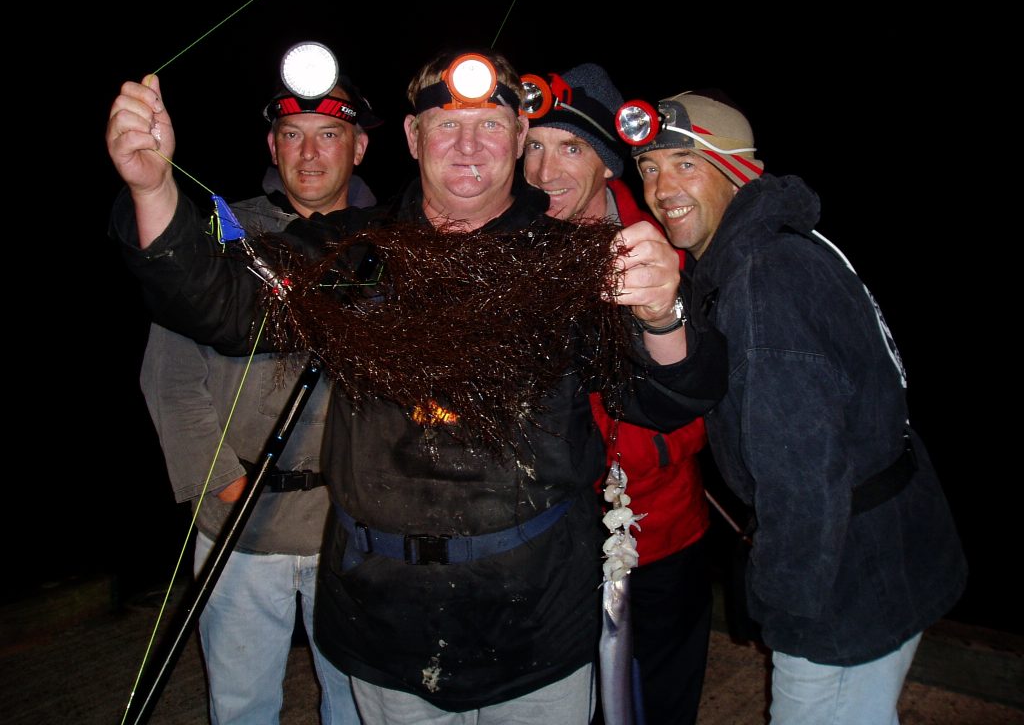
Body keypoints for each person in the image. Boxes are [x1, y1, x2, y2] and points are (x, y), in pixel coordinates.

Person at [106, 47, 726, 724]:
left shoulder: (571, 262)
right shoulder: (358, 259)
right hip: (384, 626)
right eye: (445, 123)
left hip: (536, 626)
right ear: (411, 137)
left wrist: (664, 312)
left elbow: (670, 399)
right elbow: (227, 307)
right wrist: (152, 188)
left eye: (490, 123)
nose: (467, 144)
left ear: (519, 139)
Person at [630, 90, 968, 724]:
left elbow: (801, 476)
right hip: (889, 538)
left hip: (845, 575)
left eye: (685, 163)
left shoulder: (763, 280)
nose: (660, 186)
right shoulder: (771, 247)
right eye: (648, 167)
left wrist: (785, 606)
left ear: (737, 170)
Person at [138, 42, 378, 725]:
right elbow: (169, 371)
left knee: (355, 702)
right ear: (272, 146)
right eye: (292, 136)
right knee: (241, 705)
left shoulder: (392, 242)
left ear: (357, 148)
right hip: (237, 523)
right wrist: (218, 483)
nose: (310, 154)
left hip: (350, 527)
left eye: (329, 134)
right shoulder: (218, 232)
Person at [522, 62, 711, 725]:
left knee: (660, 701)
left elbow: (698, 401)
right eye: (533, 147)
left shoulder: (663, 251)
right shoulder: (512, 252)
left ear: (607, 163)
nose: (546, 172)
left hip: (664, 531)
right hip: (555, 541)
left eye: (571, 148)